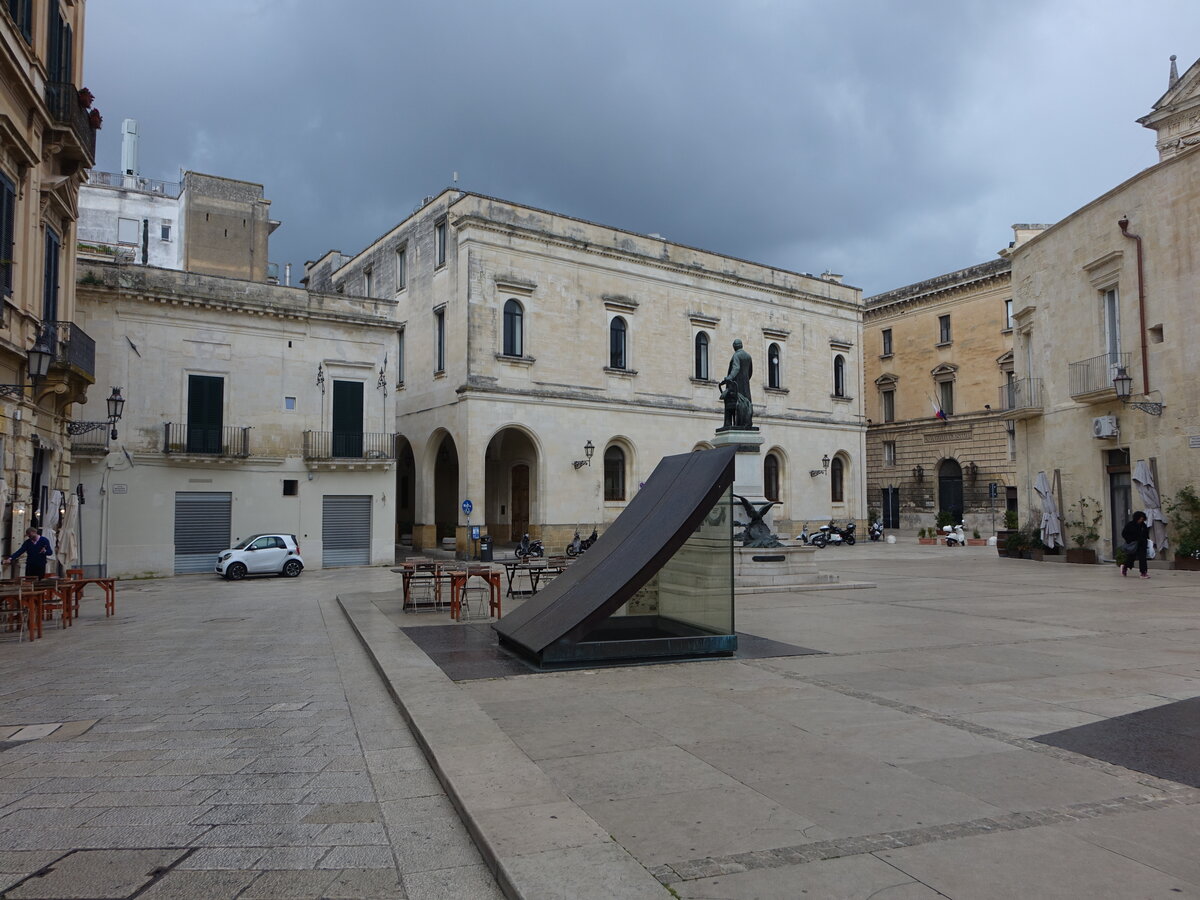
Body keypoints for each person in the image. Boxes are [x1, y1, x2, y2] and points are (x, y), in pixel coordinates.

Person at [1121, 511, 1150, 579]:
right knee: (1131, 558)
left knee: (1143, 558)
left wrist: (1146, 540)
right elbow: (1124, 534)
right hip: (1133, 545)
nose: (1141, 520)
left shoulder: (1143, 525)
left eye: (1142, 519)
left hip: (1142, 544)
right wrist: (1131, 540)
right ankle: (1125, 567)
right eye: (1140, 519)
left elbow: (1146, 534)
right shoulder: (1130, 525)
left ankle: (1143, 572)